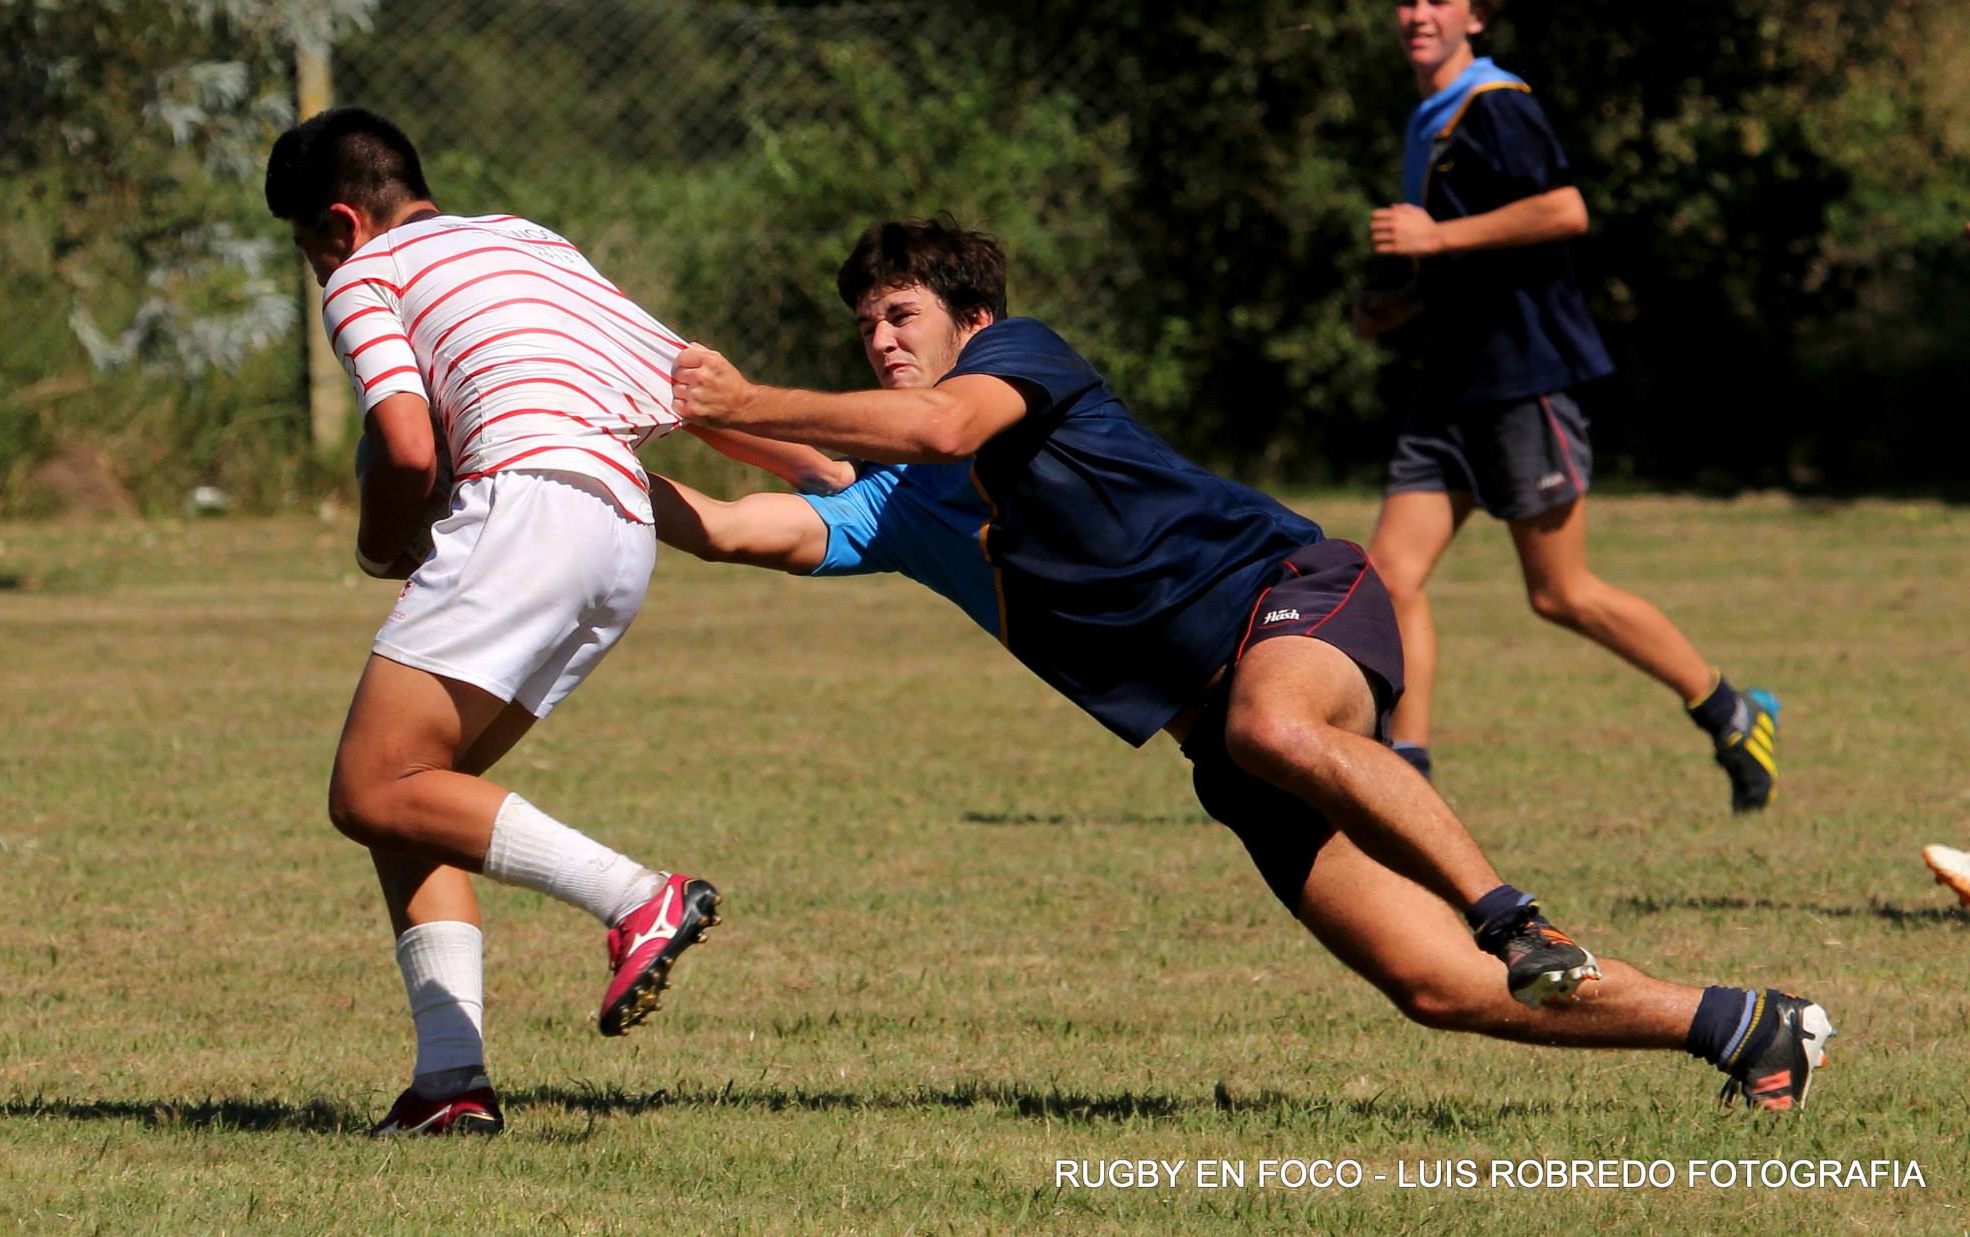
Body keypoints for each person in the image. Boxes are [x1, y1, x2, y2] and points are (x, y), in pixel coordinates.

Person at [650, 216, 1834, 1109]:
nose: (877, 338)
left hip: (1297, 600)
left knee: (1279, 729)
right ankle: (1743, 1027)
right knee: (1429, 988)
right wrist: (579, 458)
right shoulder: (899, 511)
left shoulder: (1021, 360)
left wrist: (749, 398)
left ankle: (1514, 916)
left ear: (964, 319)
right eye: (863, 323)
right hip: (1218, 736)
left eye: (897, 314)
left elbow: (943, 426)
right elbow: (735, 529)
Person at [262, 107, 818, 1136]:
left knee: (365, 787)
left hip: (522, 509)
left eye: (307, 250)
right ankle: (448, 1082)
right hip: (618, 527)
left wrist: (381, 546)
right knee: (415, 791)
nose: (315, 271)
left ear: (339, 224)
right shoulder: (526, 240)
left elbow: (409, 449)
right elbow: (688, 382)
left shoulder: (363, 277)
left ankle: (637, 897)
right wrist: (812, 460)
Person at [1353, 0, 1780, 810]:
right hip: (1450, 387)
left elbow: (1563, 210)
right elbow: (1463, 259)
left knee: (1560, 592)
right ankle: (1409, 773)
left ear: (1475, 17)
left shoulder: (1497, 105)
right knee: (1386, 577)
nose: (1417, 12)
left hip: (1523, 382)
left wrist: (1432, 240)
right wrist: (1400, 305)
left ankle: (1730, 709)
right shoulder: (1429, 120)